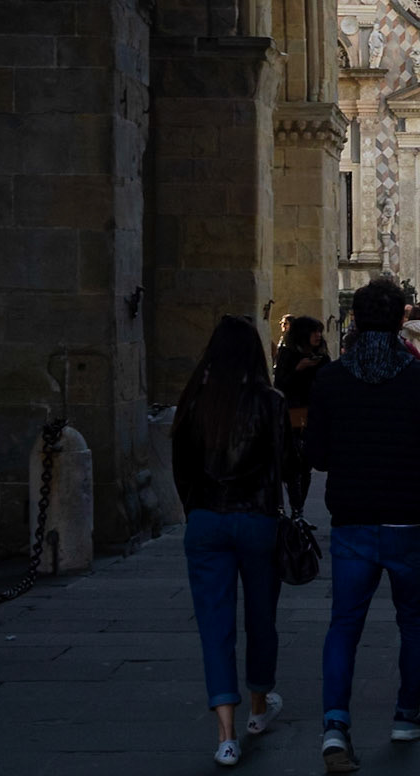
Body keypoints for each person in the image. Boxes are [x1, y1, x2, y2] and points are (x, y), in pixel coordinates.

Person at [304, 275, 420, 772]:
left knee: (344, 624)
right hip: (406, 519)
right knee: (413, 620)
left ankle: (335, 727)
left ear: (353, 319)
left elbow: (318, 456)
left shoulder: (329, 379)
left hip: (351, 517)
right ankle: (406, 713)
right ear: (401, 321)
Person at [172, 314, 293, 767]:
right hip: (257, 519)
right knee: (262, 617)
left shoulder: (195, 401)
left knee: (214, 624)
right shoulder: (270, 402)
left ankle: (226, 733)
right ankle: (259, 706)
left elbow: (180, 465)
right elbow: (284, 464)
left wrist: (195, 511)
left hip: (206, 520)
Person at [273, 315, 330, 510]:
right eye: (314, 331)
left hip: (313, 415)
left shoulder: (322, 357)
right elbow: (280, 384)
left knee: (306, 466)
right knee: (292, 464)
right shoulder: (288, 355)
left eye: (319, 331)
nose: (318, 335)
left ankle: (299, 510)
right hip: (293, 416)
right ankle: (291, 507)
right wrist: (298, 369)